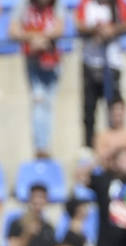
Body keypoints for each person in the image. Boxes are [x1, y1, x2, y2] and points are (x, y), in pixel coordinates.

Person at [75, 0, 126, 150]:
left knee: (114, 108)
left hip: (112, 63)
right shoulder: (87, 4)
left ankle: (114, 146)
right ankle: (89, 146)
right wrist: (96, 30)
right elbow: (79, 25)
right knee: (89, 109)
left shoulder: (119, 4)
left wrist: (112, 29)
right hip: (91, 63)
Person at [11, 0, 64, 157]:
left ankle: (44, 145)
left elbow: (59, 29)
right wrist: (33, 38)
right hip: (33, 61)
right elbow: (13, 31)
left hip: (52, 61)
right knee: (39, 101)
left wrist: (41, 40)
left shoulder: (56, 6)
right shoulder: (23, 6)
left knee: (47, 103)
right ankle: (41, 146)